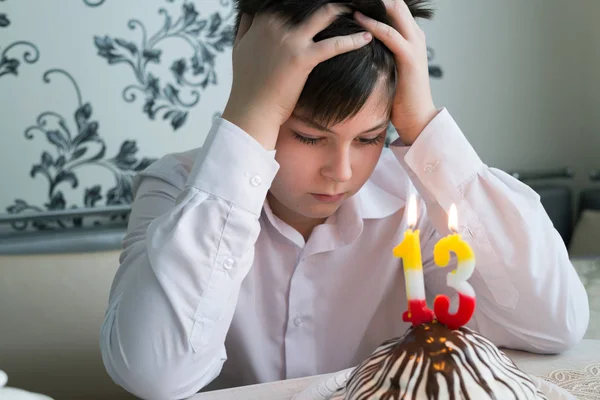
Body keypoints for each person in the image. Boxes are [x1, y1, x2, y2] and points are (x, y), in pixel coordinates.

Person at [99, 0, 590, 399]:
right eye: (309, 138)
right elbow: (155, 374)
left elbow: (554, 326)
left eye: (370, 138)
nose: (342, 171)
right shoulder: (177, 190)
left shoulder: (414, 201)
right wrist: (248, 116)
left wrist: (422, 123)